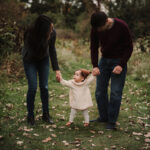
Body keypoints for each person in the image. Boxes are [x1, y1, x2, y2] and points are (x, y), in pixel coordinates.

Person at [90, 11, 133, 130]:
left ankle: (112, 121)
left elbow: (129, 47)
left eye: (100, 28)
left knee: (115, 92)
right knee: (99, 92)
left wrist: (121, 65)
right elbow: (93, 46)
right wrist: (95, 65)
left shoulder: (121, 26)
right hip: (104, 61)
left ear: (107, 22)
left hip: (118, 61)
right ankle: (103, 117)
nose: (98, 30)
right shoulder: (96, 27)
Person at [22, 15, 61, 125]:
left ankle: (46, 114)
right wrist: (45, 40)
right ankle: (30, 116)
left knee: (44, 86)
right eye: (50, 29)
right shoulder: (30, 34)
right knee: (33, 87)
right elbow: (35, 51)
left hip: (43, 59)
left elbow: (52, 50)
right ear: (42, 30)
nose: (52, 31)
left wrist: (56, 69)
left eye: (52, 28)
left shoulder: (52, 33)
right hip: (30, 60)